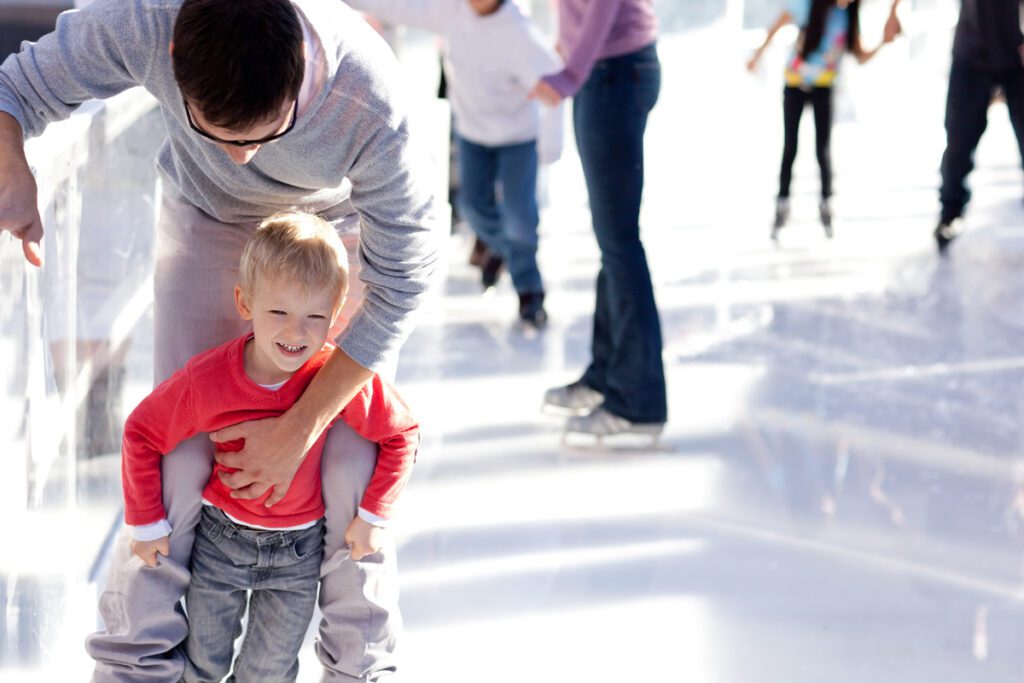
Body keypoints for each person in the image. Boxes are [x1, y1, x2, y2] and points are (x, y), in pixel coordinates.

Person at [0, 0, 442, 680]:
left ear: (300, 71)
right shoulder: (145, 22)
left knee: (350, 466)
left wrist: (299, 424)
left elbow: (406, 279)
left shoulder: (370, 95)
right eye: (221, 135)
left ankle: (361, 669)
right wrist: (11, 169)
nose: (242, 157)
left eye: (266, 136)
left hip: (332, 238)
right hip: (206, 220)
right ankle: (135, 667)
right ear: (174, 60)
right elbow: (14, 87)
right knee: (177, 458)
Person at [123, 212, 419, 682]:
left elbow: (402, 433)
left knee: (269, 672)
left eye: (315, 317)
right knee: (203, 663)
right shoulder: (209, 379)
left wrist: (373, 516)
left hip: (298, 555)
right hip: (219, 544)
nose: (296, 332)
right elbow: (141, 431)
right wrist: (147, 523)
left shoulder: (338, 379)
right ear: (245, 303)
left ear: (337, 313)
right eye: (278, 312)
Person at [348, 0, 561, 328]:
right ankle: (506, 251)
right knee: (473, 209)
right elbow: (400, 8)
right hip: (473, 135)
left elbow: (554, 85)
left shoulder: (519, 32)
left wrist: (551, 146)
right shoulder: (451, 11)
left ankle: (530, 292)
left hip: (518, 138)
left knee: (521, 218)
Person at [530, 0, 666, 438]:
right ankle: (608, 376)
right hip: (607, 71)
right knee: (614, 241)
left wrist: (571, 72)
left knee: (620, 242)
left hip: (613, 73)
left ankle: (638, 403)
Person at [747, 0, 895, 240]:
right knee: (790, 147)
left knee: (822, 149)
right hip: (795, 83)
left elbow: (860, 55)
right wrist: (757, 56)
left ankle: (827, 203)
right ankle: (782, 202)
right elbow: (777, 24)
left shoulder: (849, 16)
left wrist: (882, 43)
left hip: (823, 86)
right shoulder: (809, 5)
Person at [884, 0, 1024, 254]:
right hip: (971, 54)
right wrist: (894, 12)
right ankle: (950, 212)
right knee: (958, 141)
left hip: (1017, 55)